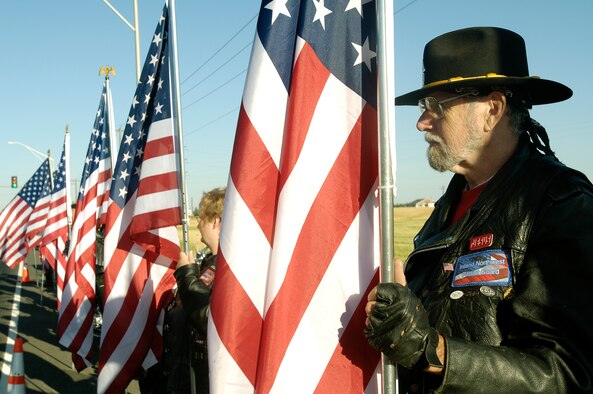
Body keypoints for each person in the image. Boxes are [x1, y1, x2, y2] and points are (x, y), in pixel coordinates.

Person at [364, 27, 593, 393]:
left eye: (436, 106)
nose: (422, 123)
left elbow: (568, 375)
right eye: (425, 109)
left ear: (493, 109)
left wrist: (432, 350)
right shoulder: (446, 208)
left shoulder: (560, 201)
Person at [160, 187, 225, 394]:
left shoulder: (225, 268)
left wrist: (186, 275)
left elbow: (206, 316)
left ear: (215, 221)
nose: (197, 223)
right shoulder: (212, 264)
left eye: (202, 218)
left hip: (204, 376)